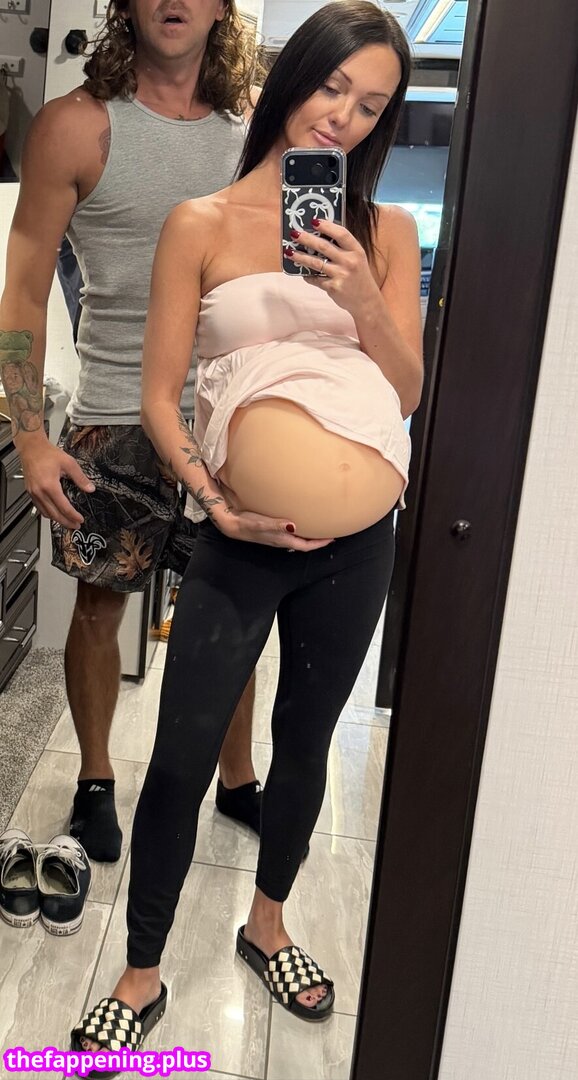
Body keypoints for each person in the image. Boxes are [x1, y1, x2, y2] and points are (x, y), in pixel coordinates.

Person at [72, 0, 422, 1057]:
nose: (344, 117)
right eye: (332, 87)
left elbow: (407, 391)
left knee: (305, 745)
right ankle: (140, 973)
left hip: (357, 548)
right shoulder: (202, 222)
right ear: (291, 78)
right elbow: (158, 396)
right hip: (236, 538)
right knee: (182, 755)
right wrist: (215, 502)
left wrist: (365, 298)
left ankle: (268, 924)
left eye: (372, 106)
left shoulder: (386, 234)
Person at [0, 0, 265, 864]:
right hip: (115, 416)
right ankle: (94, 781)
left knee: (236, 609)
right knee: (99, 605)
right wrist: (30, 435)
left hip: (228, 416)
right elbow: (22, 291)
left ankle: (238, 780)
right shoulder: (73, 128)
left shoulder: (255, 128)